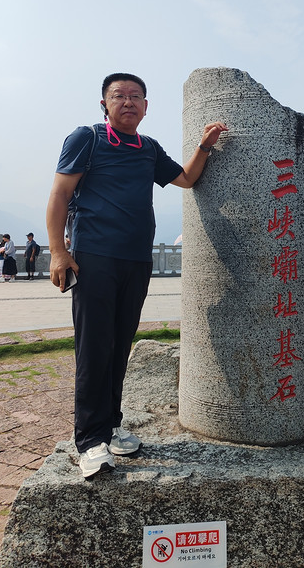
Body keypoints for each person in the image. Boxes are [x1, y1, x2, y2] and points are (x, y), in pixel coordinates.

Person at [46, 72, 227, 479]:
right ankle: (90, 441)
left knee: (118, 344)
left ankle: (110, 425)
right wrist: (59, 251)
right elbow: (59, 194)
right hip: (93, 258)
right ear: (104, 105)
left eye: (136, 97)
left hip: (136, 261)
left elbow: (185, 178)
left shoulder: (148, 148)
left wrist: (204, 146)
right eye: (118, 96)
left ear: (146, 106)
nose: (128, 102)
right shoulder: (87, 138)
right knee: (93, 347)